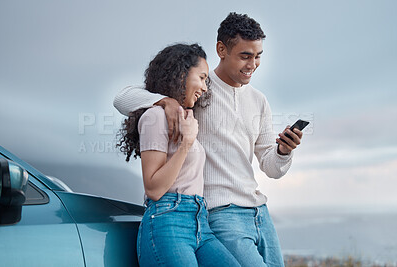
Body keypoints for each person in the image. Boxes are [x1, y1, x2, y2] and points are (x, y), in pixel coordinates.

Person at [114, 13, 303, 267]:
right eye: (245, 56)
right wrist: (164, 100)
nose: (253, 64)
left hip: (259, 210)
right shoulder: (199, 87)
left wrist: (282, 151)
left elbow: (271, 167)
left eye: (258, 56)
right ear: (221, 50)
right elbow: (123, 98)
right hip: (220, 212)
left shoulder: (259, 101)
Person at [117, 43, 241, 267]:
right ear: (182, 74)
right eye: (201, 78)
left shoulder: (186, 116)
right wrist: (186, 143)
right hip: (169, 220)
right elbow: (153, 189)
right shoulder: (156, 116)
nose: (205, 87)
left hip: (200, 222)